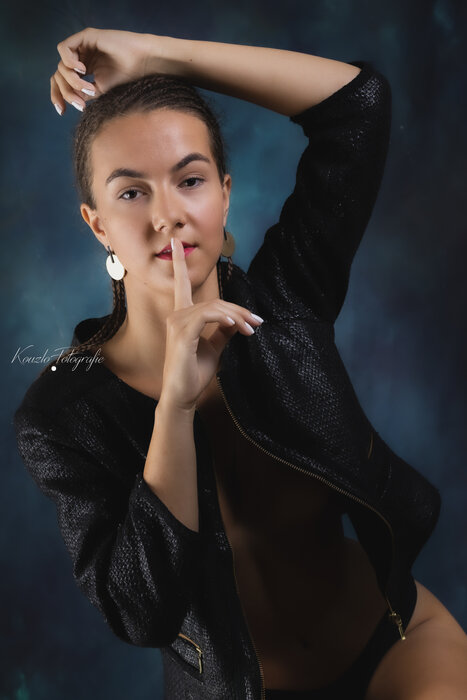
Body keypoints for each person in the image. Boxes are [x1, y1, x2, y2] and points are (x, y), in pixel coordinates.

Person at [14, 28, 467, 699]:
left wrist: (157, 57)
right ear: (97, 224)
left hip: (394, 643)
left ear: (224, 194)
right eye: (132, 193)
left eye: (190, 180)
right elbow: (141, 611)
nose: (168, 216)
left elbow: (359, 104)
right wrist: (174, 407)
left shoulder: (286, 300)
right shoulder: (63, 416)